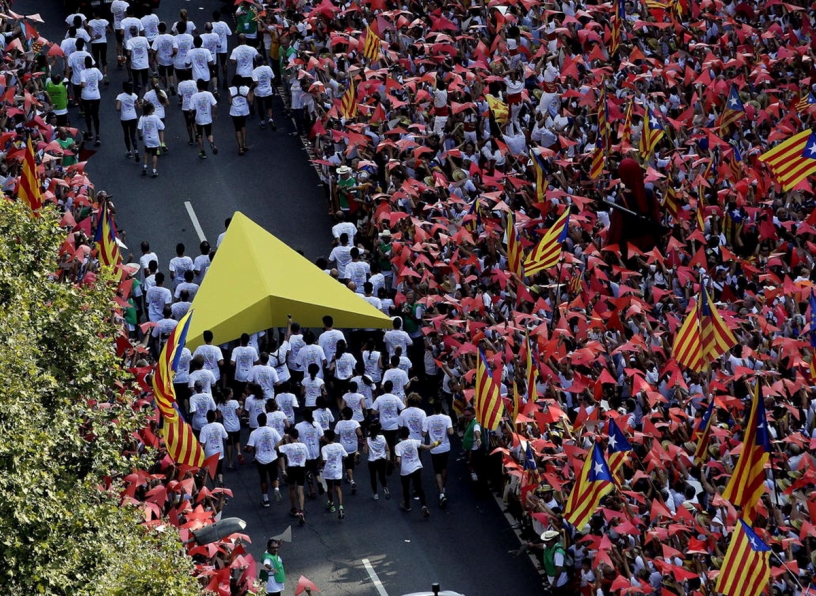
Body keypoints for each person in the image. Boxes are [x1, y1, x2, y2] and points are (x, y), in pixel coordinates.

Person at [394, 426, 436, 517]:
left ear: (400, 435)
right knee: (419, 488)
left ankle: (407, 506)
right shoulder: (414, 441)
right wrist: (438, 443)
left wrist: (396, 465)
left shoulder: (398, 446)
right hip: (416, 467)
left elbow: (398, 459)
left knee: (406, 488)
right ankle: (424, 505)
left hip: (405, 470)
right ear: (408, 433)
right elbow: (428, 447)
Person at [244, 412, 283, 507]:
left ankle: (266, 500)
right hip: (272, 457)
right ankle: (276, 489)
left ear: (258, 421)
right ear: (266, 421)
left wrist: (245, 449)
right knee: (274, 477)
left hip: (260, 459)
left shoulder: (254, 433)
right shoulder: (272, 430)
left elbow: (249, 449)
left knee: (263, 479)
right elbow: (280, 442)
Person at [424, 400, 454, 508]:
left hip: (434, 448)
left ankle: (441, 493)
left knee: (437, 471)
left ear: (433, 409)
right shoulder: (447, 418)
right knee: (444, 468)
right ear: (441, 408)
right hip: (445, 447)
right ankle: (444, 487)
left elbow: (423, 433)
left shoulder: (428, 419)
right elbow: (451, 432)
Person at [278, 427, 308, 524]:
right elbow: (307, 457)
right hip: (301, 468)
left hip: (291, 468)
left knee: (292, 488)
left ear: (290, 436)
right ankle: (302, 510)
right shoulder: (303, 445)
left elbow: (276, 448)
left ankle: (294, 508)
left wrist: (283, 439)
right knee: (300, 490)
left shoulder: (288, 446)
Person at [527, 530, 570, 596]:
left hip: (559, 581)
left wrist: (555, 581)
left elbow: (559, 568)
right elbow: (541, 545)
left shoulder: (558, 552)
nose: (546, 543)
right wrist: (533, 545)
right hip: (552, 577)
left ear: (553, 540)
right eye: (545, 541)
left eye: (548, 541)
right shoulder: (549, 546)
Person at [294, 409, 324, 499]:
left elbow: (296, 439)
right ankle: (318, 481)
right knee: (315, 468)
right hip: (315, 451)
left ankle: (312, 490)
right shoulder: (317, 425)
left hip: (305, 453)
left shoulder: (298, 426)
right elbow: (322, 437)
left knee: (307, 471)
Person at [370, 380, 404, 461]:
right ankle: (392, 459)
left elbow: (372, 411)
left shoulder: (379, 398)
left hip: (383, 426)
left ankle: (386, 459)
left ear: (384, 389)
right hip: (394, 426)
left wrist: (380, 411)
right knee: (393, 444)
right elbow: (403, 409)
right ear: (392, 388)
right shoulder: (396, 398)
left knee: (385, 444)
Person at [320, 429, 348, 519]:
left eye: (324, 436)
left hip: (329, 470)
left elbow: (324, 460)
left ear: (327, 438)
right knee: (338, 488)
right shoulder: (339, 445)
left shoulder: (324, 448)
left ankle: (331, 503)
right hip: (338, 470)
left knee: (330, 488)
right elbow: (345, 455)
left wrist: (320, 465)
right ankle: (340, 506)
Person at [335, 406, 362, 494]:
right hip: (353, 446)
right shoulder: (355, 422)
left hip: (344, 447)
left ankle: (351, 480)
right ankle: (349, 475)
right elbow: (359, 433)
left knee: (347, 465)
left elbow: (335, 434)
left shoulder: (339, 423)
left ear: (343, 415)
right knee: (351, 463)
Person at [199, 410, 228, 486]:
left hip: (209, 453)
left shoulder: (204, 429)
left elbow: (202, 443)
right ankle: (221, 482)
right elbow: (226, 437)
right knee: (219, 469)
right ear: (215, 416)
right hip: (219, 451)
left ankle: (214, 487)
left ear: (207, 418)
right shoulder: (220, 425)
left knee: (212, 472)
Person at [191, 78, 218, 158]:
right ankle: (212, 143)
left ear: (197, 86)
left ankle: (202, 151)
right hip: (208, 118)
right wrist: (214, 114)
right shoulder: (209, 94)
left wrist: (191, 115)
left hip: (199, 119)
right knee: (209, 134)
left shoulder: (194, 96)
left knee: (199, 135)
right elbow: (215, 105)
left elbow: (190, 109)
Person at [80, 56, 104, 146]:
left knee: (87, 114)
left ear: (85, 64)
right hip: (95, 95)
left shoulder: (83, 72)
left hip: (86, 96)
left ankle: (90, 132)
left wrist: (80, 86)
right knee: (95, 115)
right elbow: (101, 80)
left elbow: (83, 84)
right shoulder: (96, 70)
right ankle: (97, 135)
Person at [216, 387, 242, 470]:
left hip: (227, 427)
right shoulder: (235, 402)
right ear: (229, 395)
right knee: (237, 441)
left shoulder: (220, 404)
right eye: (231, 392)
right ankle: (238, 452)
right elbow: (238, 413)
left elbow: (219, 416)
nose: (232, 393)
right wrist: (241, 406)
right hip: (236, 425)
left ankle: (230, 461)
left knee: (228, 444)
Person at [136, 102, 164, 178]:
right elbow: (162, 127)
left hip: (146, 138)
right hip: (154, 138)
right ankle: (154, 170)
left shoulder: (142, 117)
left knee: (146, 151)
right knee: (154, 154)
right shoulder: (155, 117)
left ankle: (145, 166)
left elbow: (139, 128)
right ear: (151, 109)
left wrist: (140, 136)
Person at [228, 74, 252, 155]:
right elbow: (249, 99)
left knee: (237, 128)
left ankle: (240, 148)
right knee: (243, 126)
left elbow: (229, 102)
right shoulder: (246, 88)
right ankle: (245, 144)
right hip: (244, 110)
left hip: (235, 111)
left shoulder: (230, 89)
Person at [365, 422, 390, 500]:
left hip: (372, 461)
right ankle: (385, 487)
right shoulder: (382, 437)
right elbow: (387, 449)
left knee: (373, 477)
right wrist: (388, 459)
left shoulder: (368, 439)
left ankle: (375, 494)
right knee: (382, 475)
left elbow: (365, 451)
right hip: (382, 460)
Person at [115, 81, 139, 160]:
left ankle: (129, 151)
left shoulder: (120, 96)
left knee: (126, 134)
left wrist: (123, 107)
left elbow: (117, 108)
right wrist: (133, 105)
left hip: (124, 118)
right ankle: (136, 150)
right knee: (133, 134)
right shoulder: (134, 95)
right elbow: (138, 106)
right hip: (133, 117)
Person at [251, 54, 276, 130]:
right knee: (269, 106)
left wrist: (251, 87)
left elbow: (256, 83)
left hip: (259, 92)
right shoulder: (268, 68)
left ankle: (262, 122)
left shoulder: (254, 71)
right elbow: (273, 77)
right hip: (268, 91)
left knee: (260, 107)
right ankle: (270, 118)